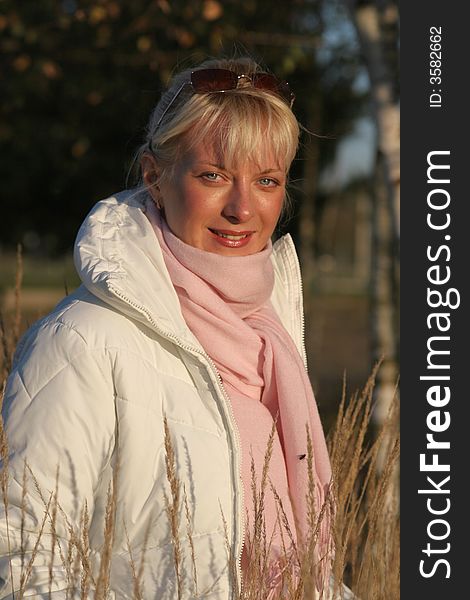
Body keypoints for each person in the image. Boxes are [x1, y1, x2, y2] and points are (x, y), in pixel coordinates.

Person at [0, 56, 336, 599]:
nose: (242, 207)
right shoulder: (83, 341)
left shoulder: (270, 340)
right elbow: (24, 562)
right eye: (213, 176)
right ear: (155, 176)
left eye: (266, 180)